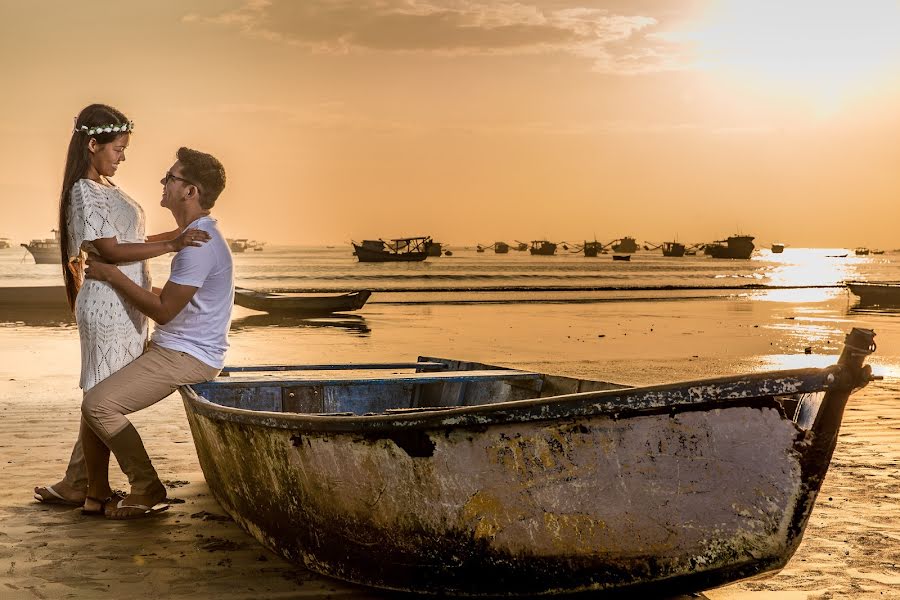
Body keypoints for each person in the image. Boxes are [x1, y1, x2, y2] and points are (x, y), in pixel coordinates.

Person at [34, 105, 210, 510]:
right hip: (107, 307)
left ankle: (83, 486)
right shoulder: (82, 191)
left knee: (100, 397)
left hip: (125, 305)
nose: (123, 156)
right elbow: (110, 250)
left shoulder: (110, 191)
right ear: (92, 145)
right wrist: (173, 245)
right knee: (101, 400)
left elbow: (132, 238)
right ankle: (100, 490)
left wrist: (183, 229)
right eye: (118, 148)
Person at [79, 146, 232, 519]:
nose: (163, 183)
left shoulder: (198, 244)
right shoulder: (192, 235)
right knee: (97, 387)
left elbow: (164, 311)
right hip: (173, 346)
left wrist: (112, 276)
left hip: (188, 355)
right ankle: (82, 484)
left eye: (170, 178)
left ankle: (146, 485)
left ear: (190, 191)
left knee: (98, 405)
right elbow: (172, 295)